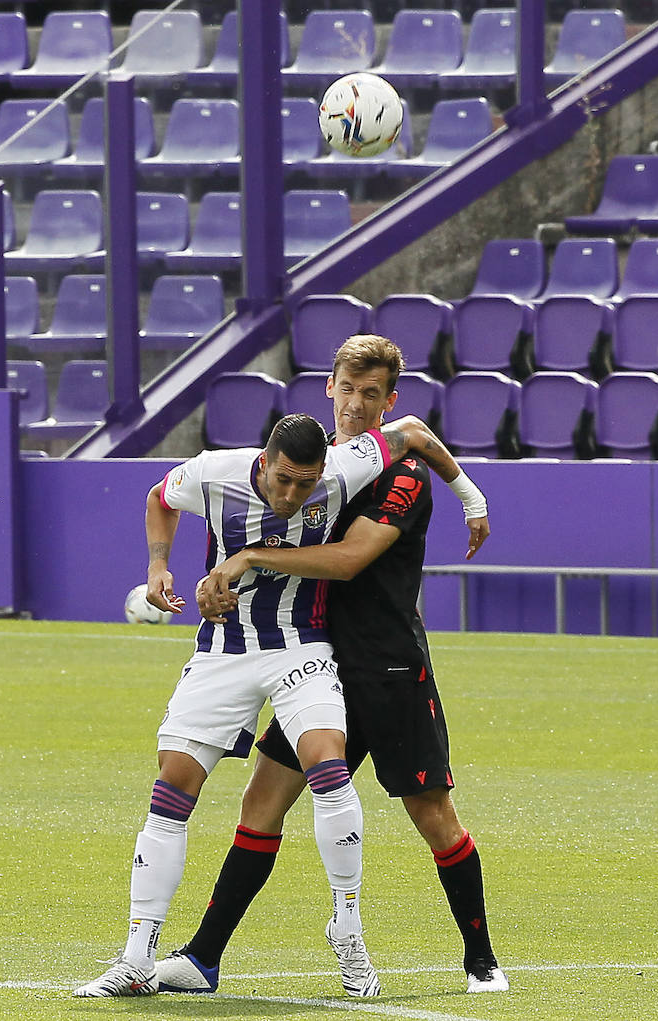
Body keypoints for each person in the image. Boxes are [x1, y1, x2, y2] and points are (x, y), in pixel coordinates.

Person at [74, 406, 486, 999]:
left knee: (329, 767)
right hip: (224, 651)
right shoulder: (213, 472)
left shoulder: (342, 467)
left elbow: (415, 431)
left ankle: (348, 930)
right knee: (173, 787)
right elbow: (159, 497)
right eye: (283, 479)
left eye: (306, 483)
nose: (294, 493)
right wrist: (158, 562)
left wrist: (471, 498)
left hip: (301, 649)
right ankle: (138, 955)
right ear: (262, 463)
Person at [153, 334, 509, 996]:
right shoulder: (318, 464)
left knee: (433, 815)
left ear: (386, 399)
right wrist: (214, 577)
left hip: (389, 667)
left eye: (371, 393)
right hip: (313, 663)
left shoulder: (400, 475)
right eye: (348, 389)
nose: (356, 403)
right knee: (262, 799)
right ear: (329, 388)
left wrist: (467, 495)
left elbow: (347, 558)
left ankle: (482, 958)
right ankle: (203, 956)